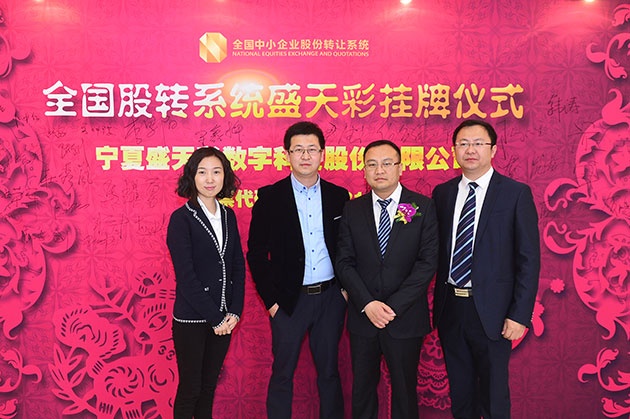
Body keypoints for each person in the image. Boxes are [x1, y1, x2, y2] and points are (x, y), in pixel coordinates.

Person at [432, 119, 540, 419]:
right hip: (451, 308)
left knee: (493, 396)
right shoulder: (443, 194)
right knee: (461, 393)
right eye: (464, 144)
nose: (471, 150)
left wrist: (519, 314)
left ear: (493, 150)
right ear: (454, 150)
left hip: (494, 312)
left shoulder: (515, 193)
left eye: (478, 143)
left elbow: (529, 259)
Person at [247, 121, 349, 419]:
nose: (305, 156)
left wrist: (344, 292)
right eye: (298, 150)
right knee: (283, 373)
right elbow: (256, 254)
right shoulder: (270, 197)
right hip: (289, 301)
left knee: (329, 373)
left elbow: (347, 247)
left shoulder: (338, 196)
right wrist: (272, 302)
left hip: (330, 297)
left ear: (322, 154)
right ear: (287, 154)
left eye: (312, 149)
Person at [336, 139, 439, 419]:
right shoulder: (352, 209)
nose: (379, 170)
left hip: (404, 318)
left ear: (400, 168)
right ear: (364, 171)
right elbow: (344, 262)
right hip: (364, 318)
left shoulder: (422, 206)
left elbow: (427, 263)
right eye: (372, 164)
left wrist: (393, 306)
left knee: (405, 393)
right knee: (363, 392)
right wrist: (368, 303)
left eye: (386, 163)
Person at [166, 147, 245, 419]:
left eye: (216, 172)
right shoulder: (181, 219)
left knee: (208, 388)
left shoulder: (228, 216)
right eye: (202, 172)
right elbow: (186, 277)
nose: (210, 179)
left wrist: (234, 312)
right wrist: (216, 318)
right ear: (192, 176)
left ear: (225, 176)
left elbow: (237, 266)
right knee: (191, 389)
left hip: (224, 319)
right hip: (192, 319)